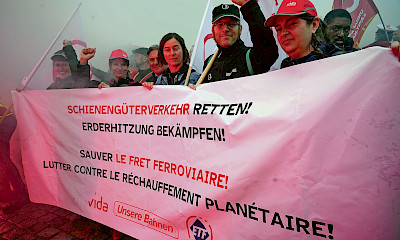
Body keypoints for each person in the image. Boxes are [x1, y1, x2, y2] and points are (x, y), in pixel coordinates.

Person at [202, 0, 278, 84]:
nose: (225, 29)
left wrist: (248, 5)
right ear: (213, 31)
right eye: (220, 25)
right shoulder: (209, 63)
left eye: (231, 24)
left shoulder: (250, 59)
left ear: (240, 29)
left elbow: (268, 48)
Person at [265, 0, 344, 68]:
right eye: (278, 29)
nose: (283, 33)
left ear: (314, 25)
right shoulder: (284, 69)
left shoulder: (339, 63)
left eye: (292, 24)